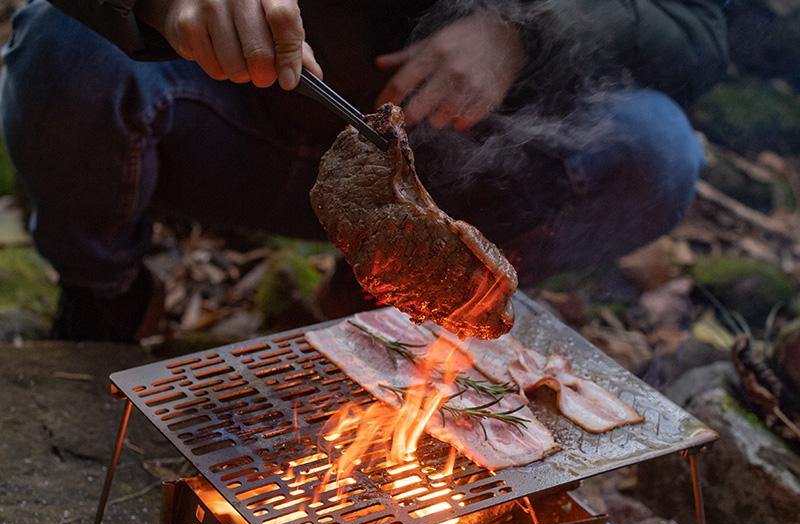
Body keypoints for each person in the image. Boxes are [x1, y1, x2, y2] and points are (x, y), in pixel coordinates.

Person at [1, 0, 729, 342]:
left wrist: (525, 31)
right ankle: (106, 298)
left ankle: (371, 320)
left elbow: (697, 28)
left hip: (447, 161)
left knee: (656, 152)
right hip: (213, 106)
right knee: (62, 43)